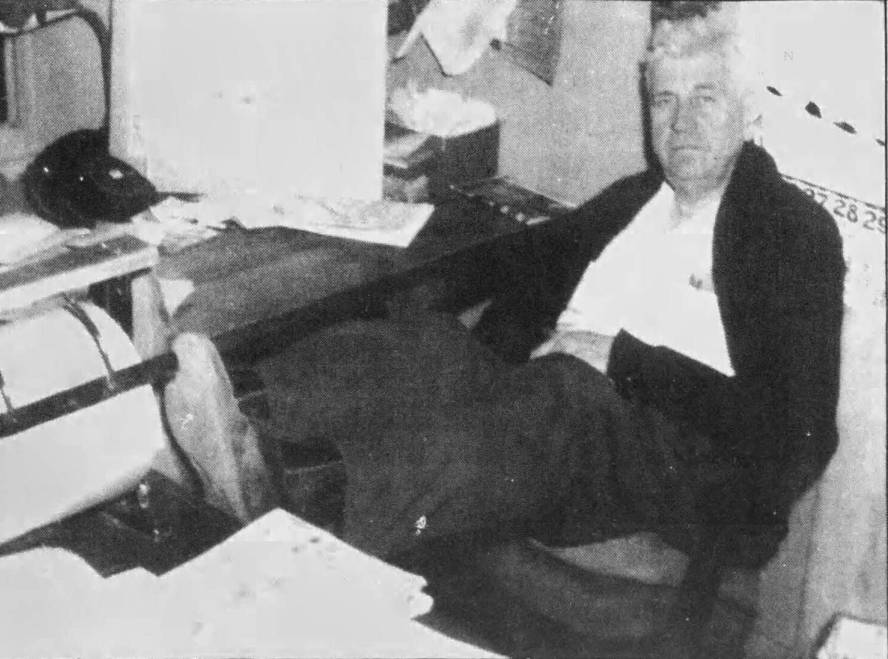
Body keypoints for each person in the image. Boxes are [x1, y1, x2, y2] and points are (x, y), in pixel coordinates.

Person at [164, 4, 844, 570]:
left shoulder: (789, 233)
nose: (681, 120)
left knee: (565, 395)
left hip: (681, 465)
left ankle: (302, 495)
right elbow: (531, 269)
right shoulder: (638, 199)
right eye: (664, 99)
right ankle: (233, 410)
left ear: (750, 113)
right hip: (562, 404)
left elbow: (798, 437)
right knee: (434, 343)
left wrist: (619, 358)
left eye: (706, 98)